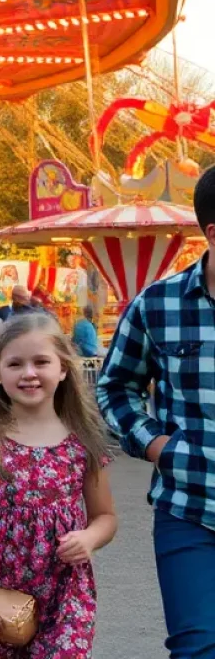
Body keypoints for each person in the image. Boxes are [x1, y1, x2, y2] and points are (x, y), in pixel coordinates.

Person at [0, 311, 117, 656]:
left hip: (65, 596)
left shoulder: (83, 442)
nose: (29, 373)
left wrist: (90, 537)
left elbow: (106, 516)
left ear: (63, 369)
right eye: (15, 364)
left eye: (41, 362)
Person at [98, 163, 215, 658]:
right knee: (196, 647)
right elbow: (114, 386)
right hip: (189, 507)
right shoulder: (157, 305)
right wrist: (154, 443)